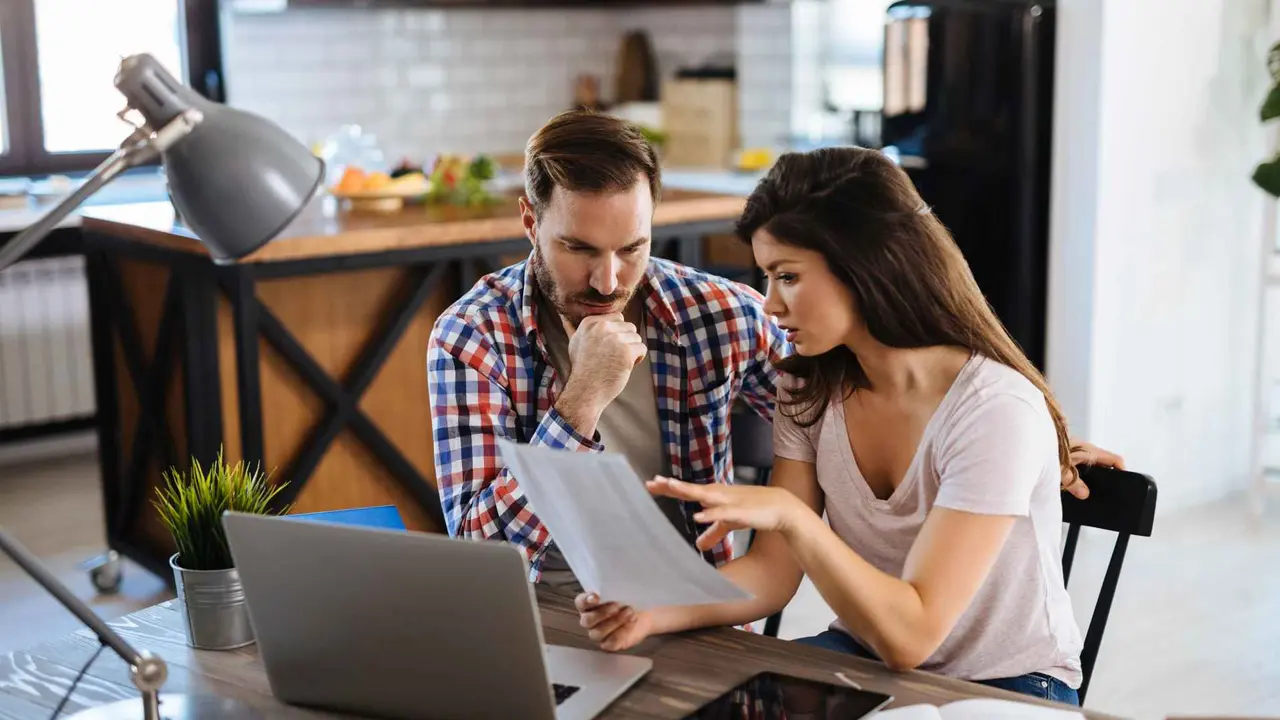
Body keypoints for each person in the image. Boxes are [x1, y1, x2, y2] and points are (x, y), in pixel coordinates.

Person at [574, 146, 1125, 706]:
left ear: (865, 265)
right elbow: (772, 574)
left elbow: (912, 636)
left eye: (788, 276)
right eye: (767, 278)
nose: (770, 305)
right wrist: (650, 610)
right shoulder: (808, 388)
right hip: (864, 655)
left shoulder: (995, 410)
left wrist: (792, 517)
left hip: (1010, 685)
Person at [426, 109, 788, 589]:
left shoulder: (720, 313)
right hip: (541, 610)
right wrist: (581, 402)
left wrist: (778, 540)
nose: (608, 282)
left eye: (631, 249)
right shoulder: (473, 335)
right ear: (531, 222)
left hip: (694, 608)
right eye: (579, 249)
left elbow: (838, 432)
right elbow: (482, 556)